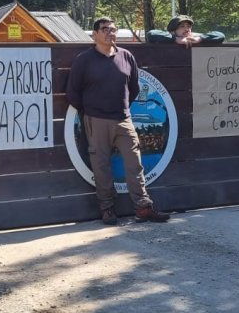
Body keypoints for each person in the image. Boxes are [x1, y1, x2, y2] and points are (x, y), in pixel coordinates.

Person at [66, 16, 172, 225]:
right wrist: (89, 113)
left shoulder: (126, 56)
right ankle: (107, 209)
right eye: (105, 29)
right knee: (101, 166)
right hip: (95, 120)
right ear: (95, 34)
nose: (110, 33)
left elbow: (134, 88)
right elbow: (72, 92)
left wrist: (121, 108)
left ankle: (143, 207)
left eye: (113, 29)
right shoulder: (84, 60)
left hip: (124, 119)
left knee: (135, 164)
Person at [145, 14, 225, 47]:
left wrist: (200, 38)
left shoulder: (195, 38)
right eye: (182, 26)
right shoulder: (168, 36)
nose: (186, 29)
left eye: (188, 26)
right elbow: (151, 34)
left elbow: (220, 35)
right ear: (173, 31)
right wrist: (175, 39)